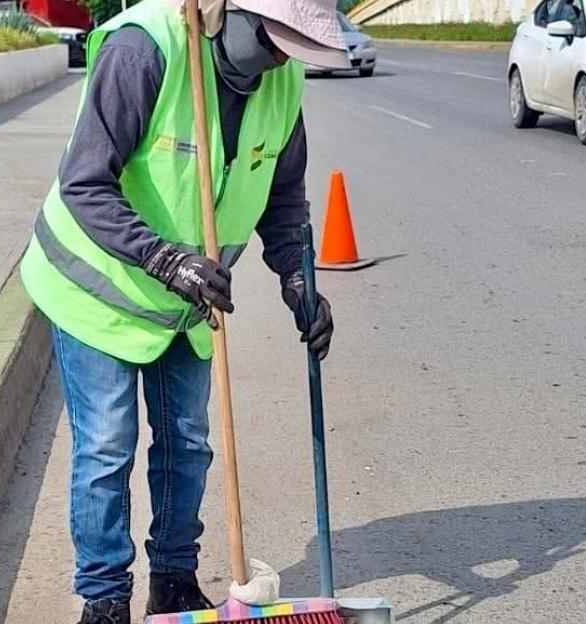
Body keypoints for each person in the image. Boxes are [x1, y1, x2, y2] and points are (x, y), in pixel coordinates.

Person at [19, 1, 346, 622]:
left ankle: (173, 581)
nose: (283, 58)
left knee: (187, 445)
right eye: (276, 41)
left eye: (297, 48)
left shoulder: (283, 80)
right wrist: (167, 261)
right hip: (98, 288)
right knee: (106, 448)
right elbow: (84, 182)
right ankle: (105, 597)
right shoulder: (142, 52)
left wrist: (298, 281)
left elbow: (282, 197)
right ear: (228, 14)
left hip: (189, 301)